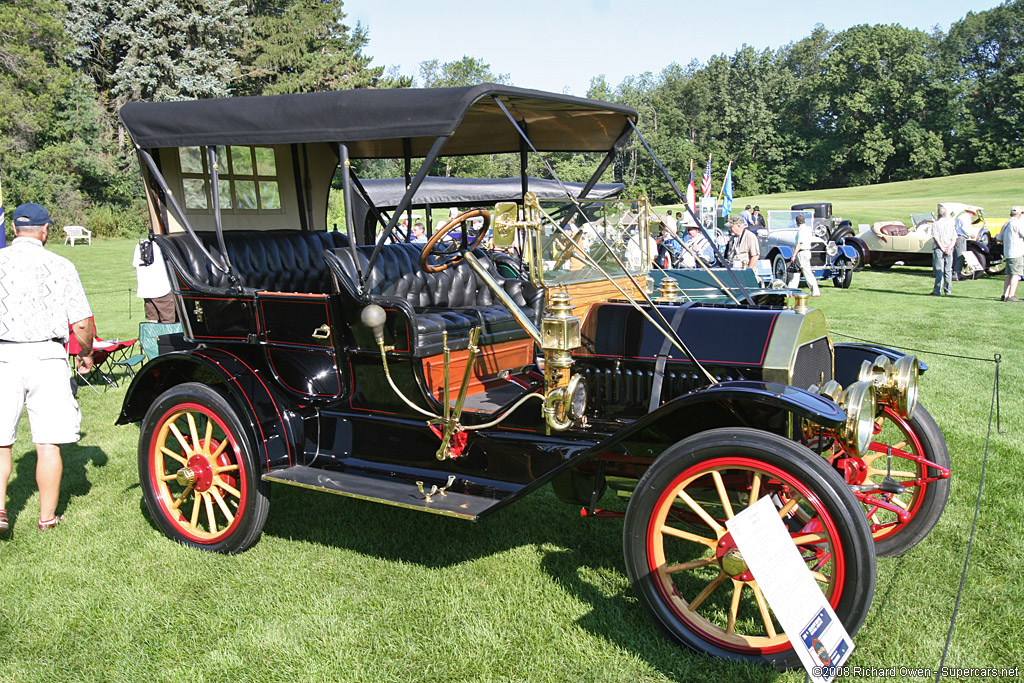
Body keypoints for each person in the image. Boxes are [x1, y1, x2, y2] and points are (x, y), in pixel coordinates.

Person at [0, 203, 94, 534]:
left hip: (3, 355)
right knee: (47, 442)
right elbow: (82, 322)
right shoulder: (61, 264)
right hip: (48, 356)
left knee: (0, 442)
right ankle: (47, 519)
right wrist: (85, 352)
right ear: (45, 230)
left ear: (14, 229)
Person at [132, 238, 176, 323]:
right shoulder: (163, 245)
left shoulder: (140, 245)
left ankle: (154, 336)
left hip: (146, 291)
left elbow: (135, 265)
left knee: (152, 320)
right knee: (168, 321)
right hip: (163, 290)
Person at [787, 213, 821, 296]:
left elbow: (799, 243)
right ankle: (791, 291)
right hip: (807, 251)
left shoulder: (801, 230)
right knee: (796, 273)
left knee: (807, 272)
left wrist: (794, 255)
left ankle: (815, 291)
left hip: (802, 252)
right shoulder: (808, 229)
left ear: (797, 222)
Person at [998, 206, 1024, 302]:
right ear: (1019, 214)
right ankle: (1011, 295)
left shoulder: (1006, 223)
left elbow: (999, 238)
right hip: (1016, 252)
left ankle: (1005, 295)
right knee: (1016, 274)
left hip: (1008, 252)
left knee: (1009, 274)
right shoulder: (1017, 223)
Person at [930, 205, 956, 296]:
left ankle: (937, 290)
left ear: (938, 214)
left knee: (939, 270)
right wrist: (949, 248)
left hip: (939, 248)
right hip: (949, 248)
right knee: (948, 270)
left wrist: (942, 248)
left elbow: (936, 237)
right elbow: (954, 238)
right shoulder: (951, 224)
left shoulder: (936, 224)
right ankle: (948, 291)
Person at [952, 209, 973, 280]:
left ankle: (956, 273)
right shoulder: (966, 218)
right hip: (961, 237)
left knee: (958, 256)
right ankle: (956, 275)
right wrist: (970, 234)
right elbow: (965, 228)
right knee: (959, 256)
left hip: (959, 236)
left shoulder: (962, 216)